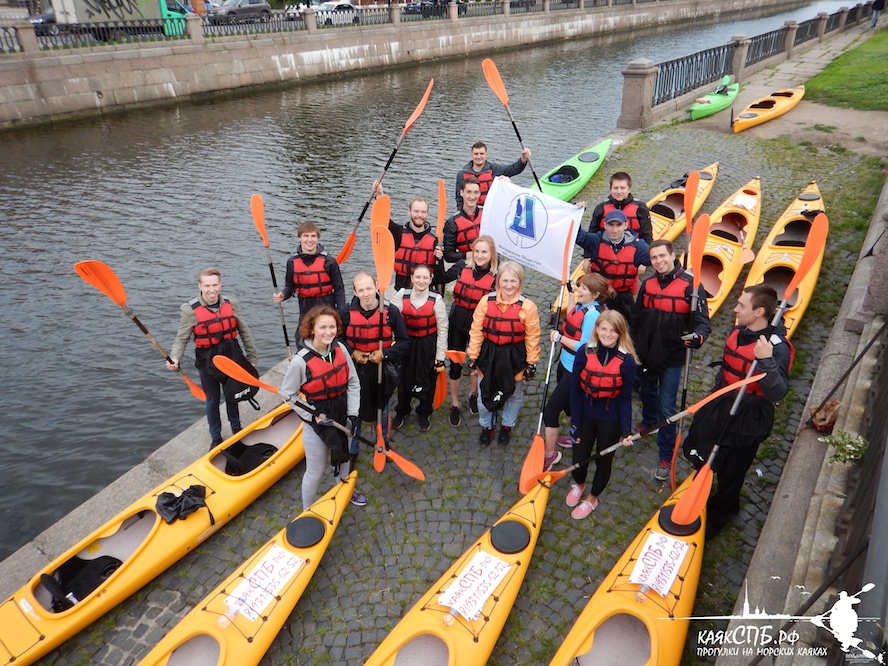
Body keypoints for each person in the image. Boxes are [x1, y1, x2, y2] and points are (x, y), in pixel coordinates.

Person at [683, 285, 791, 538]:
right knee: (703, 449)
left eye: (741, 305)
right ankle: (700, 490)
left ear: (759, 311)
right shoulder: (737, 331)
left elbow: (778, 392)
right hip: (722, 403)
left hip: (749, 417)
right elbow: (726, 368)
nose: (735, 308)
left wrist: (765, 359)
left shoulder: (776, 347)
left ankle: (721, 513)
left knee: (732, 472)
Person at [631, 239, 710, 481]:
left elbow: (703, 323)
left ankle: (665, 454)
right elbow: (636, 319)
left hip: (673, 356)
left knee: (667, 406)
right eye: (654, 258)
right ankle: (648, 421)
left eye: (662, 256)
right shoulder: (648, 284)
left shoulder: (692, 286)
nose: (658, 261)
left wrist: (697, 337)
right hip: (646, 352)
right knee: (646, 393)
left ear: (673, 255)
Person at [280, 306, 363, 509]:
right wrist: (312, 416)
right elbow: (288, 396)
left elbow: (353, 382)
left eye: (332, 327)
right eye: (323, 327)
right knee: (315, 471)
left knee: (344, 460)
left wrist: (352, 414)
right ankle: (307, 509)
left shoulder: (341, 349)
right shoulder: (300, 362)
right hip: (317, 422)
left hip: (343, 416)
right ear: (312, 329)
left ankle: (344, 492)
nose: (328, 332)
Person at [167, 267, 258, 448]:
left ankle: (236, 427)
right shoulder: (189, 311)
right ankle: (216, 437)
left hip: (231, 357)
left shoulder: (232, 304)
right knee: (212, 400)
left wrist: (252, 357)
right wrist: (175, 357)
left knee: (233, 394)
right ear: (199, 286)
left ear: (220, 284)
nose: (211, 290)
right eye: (207, 285)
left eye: (215, 285)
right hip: (207, 361)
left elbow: (244, 331)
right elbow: (181, 338)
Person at [339, 272, 410, 486]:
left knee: (383, 407)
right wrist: (352, 351)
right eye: (361, 290)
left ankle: (383, 442)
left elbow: (405, 343)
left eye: (369, 288)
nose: (366, 293)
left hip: (382, 369)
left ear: (377, 287)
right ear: (354, 292)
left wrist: (385, 354)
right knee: (354, 409)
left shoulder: (390, 312)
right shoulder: (344, 313)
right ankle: (352, 449)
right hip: (356, 369)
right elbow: (337, 338)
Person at [566, 311, 638, 519]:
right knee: (579, 459)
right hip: (586, 415)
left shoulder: (627, 362)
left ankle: (592, 498)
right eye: (603, 328)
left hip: (610, 418)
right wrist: (575, 422)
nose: (607, 334)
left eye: (613, 330)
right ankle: (579, 483)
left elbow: (625, 399)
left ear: (620, 333)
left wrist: (626, 429)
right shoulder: (584, 352)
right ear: (596, 329)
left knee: (604, 460)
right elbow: (575, 391)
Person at [541, 273, 613, 469]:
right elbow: (573, 313)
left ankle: (550, 455)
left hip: (576, 370)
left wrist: (559, 338)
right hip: (565, 364)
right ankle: (576, 434)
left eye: (584, 289)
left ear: (596, 294)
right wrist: (570, 292)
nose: (580, 290)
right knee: (572, 408)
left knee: (551, 411)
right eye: (579, 286)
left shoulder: (593, 315)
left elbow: (584, 346)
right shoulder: (585, 306)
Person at [466, 261, 541, 447]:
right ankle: (487, 426)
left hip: (514, 356)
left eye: (513, 281)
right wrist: (472, 356)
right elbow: (476, 330)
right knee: (485, 393)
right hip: (489, 353)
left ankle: (507, 425)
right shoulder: (485, 302)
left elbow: (532, 336)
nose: (509, 285)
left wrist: (531, 363)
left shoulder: (528, 307)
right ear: (498, 280)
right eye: (505, 280)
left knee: (514, 394)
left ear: (520, 282)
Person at [444, 235, 498, 427]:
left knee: (475, 362)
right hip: (457, 322)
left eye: (484, 252)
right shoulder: (461, 266)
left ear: (491, 254)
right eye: (477, 251)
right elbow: (440, 278)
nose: (480, 255)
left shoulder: (496, 278)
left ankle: (473, 394)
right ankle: (455, 402)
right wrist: (436, 260)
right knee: (456, 363)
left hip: (479, 327)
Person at [390, 264, 448, 432]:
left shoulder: (436, 300)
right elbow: (390, 317)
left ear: (430, 280)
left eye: (425, 278)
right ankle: (402, 409)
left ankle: (424, 411)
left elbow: (443, 328)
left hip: (427, 344)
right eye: (418, 277)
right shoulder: (401, 295)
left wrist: (440, 357)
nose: (421, 281)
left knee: (427, 379)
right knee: (404, 378)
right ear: (412, 278)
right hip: (407, 343)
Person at [575, 208, 651, 319]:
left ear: (625, 225)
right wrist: (576, 213)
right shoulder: (596, 241)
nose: (614, 230)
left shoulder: (639, 247)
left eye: (618, 225)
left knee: (629, 323)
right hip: (599, 294)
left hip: (623, 295)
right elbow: (577, 235)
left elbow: (657, 260)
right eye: (611, 225)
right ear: (605, 226)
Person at [372, 182, 444, 292]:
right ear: (409, 212)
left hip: (423, 290)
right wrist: (380, 195)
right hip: (400, 289)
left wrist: (440, 258)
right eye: (416, 211)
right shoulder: (398, 232)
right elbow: (383, 219)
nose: (419, 215)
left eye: (423, 212)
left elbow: (439, 274)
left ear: (427, 214)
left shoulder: (435, 241)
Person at [273, 221, 345, 325]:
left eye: (313, 236)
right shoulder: (292, 262)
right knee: (302, 339)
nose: (310, 240)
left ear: (317, 238)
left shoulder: (329, 262)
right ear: (299, 238)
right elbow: (290, 286)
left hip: (326, 309)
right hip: (305, 311)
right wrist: (282, 295)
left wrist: (342, 312)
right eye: (306, 236)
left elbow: (339, 289)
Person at [455, 141, 531, 209]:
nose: (478, 157)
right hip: (470, 212)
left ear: (486, 155)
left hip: (488, 212)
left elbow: (513, 169)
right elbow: (459, 198)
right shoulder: (461, 174)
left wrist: (523, 160)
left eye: (481, 154)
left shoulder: (494, 169)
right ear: (471, 155)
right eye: (476, 154)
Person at [589, 171, 653, 244]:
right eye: (615, 188)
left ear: (629, 189)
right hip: (606, 250)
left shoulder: (640, 208)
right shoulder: (601, 208)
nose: (619, 191)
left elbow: (647, 236)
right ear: (611, 189)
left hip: (633, 251)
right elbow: (591, 235)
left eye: (622, 188)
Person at [443, 176, 483, 264]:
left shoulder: (487, 214)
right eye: (469, 192)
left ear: (479, 194)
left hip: (486, 262)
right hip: (466, 263)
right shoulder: (452, 222)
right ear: (462, 193)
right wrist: (468, 255)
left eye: (475, 192)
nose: (472, 196)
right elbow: (448, 255)